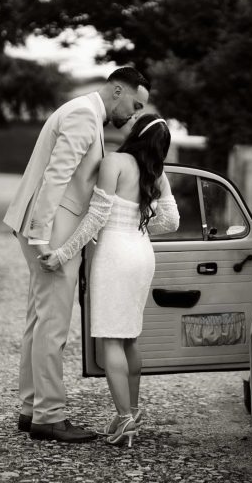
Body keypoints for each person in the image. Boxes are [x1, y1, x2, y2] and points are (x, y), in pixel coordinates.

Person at [2, 67, 150, 443]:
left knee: (38, 320)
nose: (132, 115)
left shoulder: (84, 113)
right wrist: (41, 238)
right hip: (52, 231)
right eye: (134, 105)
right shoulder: (85, 115)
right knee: (52, 325)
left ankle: (31, 407)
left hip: (48, 225)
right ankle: (49, 415)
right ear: (117, 89)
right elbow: (56, 175)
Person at [39, 113, 180, 447]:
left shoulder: (114, 162)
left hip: (115, 255)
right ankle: (128, 412)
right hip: (142, 253)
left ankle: (126, 419)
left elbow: (96, 218)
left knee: (111, 340)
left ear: (136, 133)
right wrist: (139, 227)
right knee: (129, 337)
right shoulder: (157, 174)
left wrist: (62, 253)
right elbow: (172, 222)